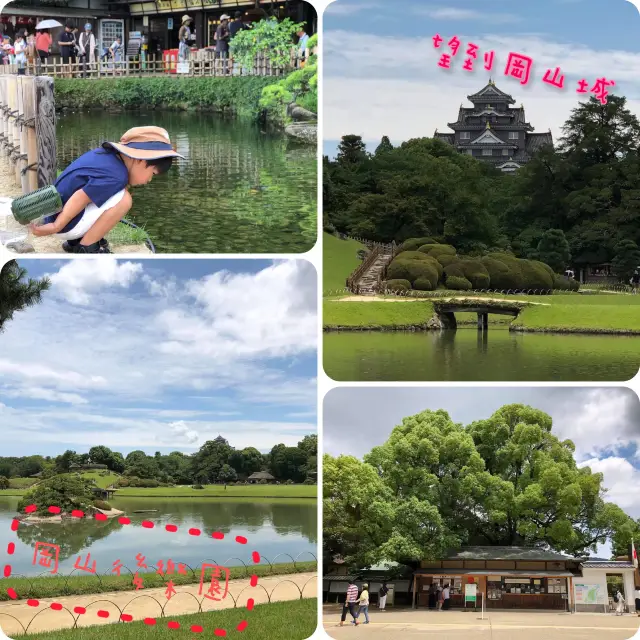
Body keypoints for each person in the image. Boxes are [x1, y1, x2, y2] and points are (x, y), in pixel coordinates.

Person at [29, 126, 183, 254]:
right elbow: (80, 197)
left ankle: (75, 242)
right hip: (61, 224)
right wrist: (57, 226)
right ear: (140, 160)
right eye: (152, 174)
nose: (149, 181)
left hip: (53, 213)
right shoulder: (117, 176)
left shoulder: (105, 157)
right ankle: (87, 247)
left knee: (116, 194)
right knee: (124, 200)